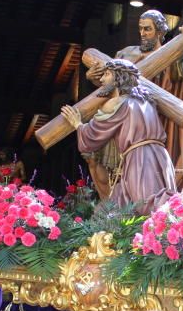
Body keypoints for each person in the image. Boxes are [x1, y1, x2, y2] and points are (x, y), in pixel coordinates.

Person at [85, 9, 183, 196]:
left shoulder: (169, 57)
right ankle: (109, 208)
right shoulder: (125, 54)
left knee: (145, 175)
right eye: (140, 29)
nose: (142, 33)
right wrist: (92, 77)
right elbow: (108, 82)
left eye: (147, 29)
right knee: (98, 162)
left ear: (159, 32)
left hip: (150, 122)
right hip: (120, 120)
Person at [61, 59, 176, 215]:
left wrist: (77, 124)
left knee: (145, 205)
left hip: (139, 159)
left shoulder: (117, 103)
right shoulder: (147, 101)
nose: (101, 80)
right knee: (122, 204)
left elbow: (91, 138)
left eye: (107, 74)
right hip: (161, 157)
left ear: (118, 78)